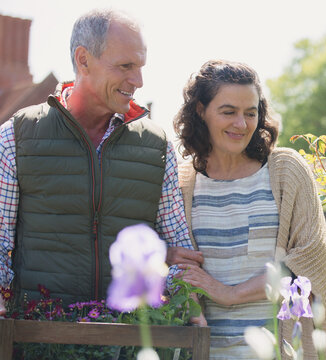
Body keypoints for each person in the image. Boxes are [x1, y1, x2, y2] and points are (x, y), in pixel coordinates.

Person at [0, 9, 203, 317]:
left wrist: (182, 303)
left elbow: (178, 253)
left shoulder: (156, 146)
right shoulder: (16, 136)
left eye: (140, 67)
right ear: (83, 60)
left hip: (131, 339)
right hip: (39, 337)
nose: (138, 80)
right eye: (125, 66)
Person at [169, 60, 326, 359]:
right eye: (228, 112)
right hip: (206, 352)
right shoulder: (182, 183)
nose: (242, 124)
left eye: (251, 113)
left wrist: (229, 293)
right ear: (200, 111)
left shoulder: (285, 171)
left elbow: (308, 266)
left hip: (281, 350)